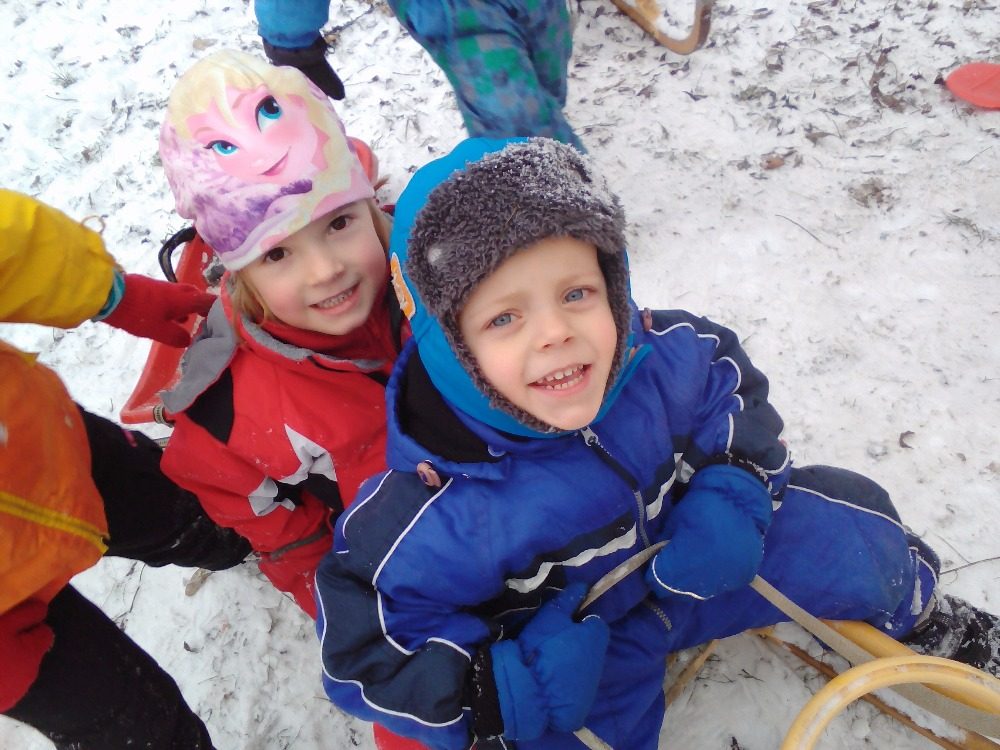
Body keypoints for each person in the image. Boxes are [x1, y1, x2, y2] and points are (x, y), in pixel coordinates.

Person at [312, 137, 1000, 749]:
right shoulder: (434, 508)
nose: (554, 333)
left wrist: (734, 489)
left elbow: (730, 389)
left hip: (700, 561)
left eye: (576, 294)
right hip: (586, 653)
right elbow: (366, 642)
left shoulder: (663, 358)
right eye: (504, 317)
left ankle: (928, 619)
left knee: (848, 531)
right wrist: (504, 686)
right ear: (449, 344)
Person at [0, 189, 252, 749]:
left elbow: (11, 241)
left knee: (179, 511)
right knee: (135, 725)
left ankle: (232, 541)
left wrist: (109, 293)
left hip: (48, 446)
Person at [254, 0, 584, 149]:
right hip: (459, 16)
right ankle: (559, 210)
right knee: (515, 121)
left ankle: (545, 120)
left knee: (548, 76)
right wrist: (290, 43)